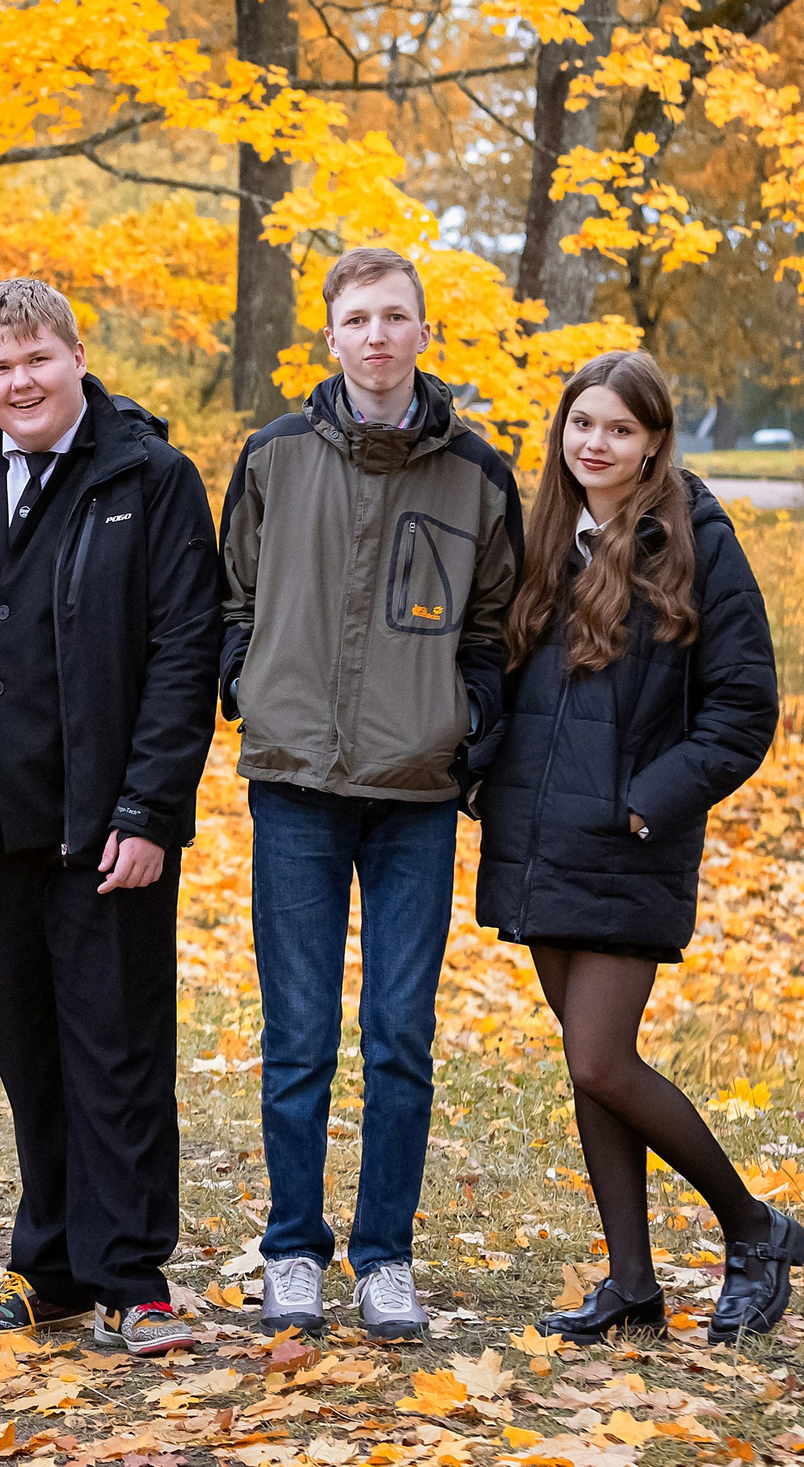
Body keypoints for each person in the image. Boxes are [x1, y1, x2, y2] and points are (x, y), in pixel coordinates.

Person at [0, 280, 221, 1356]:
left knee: (115, 1048)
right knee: (28, 1049)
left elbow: (183, 654)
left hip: (104, 821)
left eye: (37, 358)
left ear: (78, 355)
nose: (19, 382)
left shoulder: (150, 477)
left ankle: (132, 1275)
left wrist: (149, 808)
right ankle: (51, 1266)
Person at [218, 247, 523, 1341]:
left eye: (397, 316)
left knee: (399, 1032)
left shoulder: (478, 475)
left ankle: (384, 1253)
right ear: (332, 335)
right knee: (296, 1032)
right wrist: (241, 679)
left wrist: (471, 720)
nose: (378, 336)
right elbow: (233, 593)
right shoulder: (273, 456)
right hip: (294, 782)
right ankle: (293, 1246)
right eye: (358, 318)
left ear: (422, 334)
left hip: (416, 793)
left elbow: (494, 626)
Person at [475, 351, 789, 1345]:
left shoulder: (692, 540)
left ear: (653, 437)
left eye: (616, 427)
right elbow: (508, 674)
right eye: (579, 424)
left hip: (627, 840)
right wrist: (481, 771)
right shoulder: (542, 536)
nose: (593, 443)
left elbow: (744, 707)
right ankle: (632, 1285)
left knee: (603, 1057)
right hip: (538, 837)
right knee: (586, 1065)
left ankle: (756, 1226)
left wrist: (650, 802)